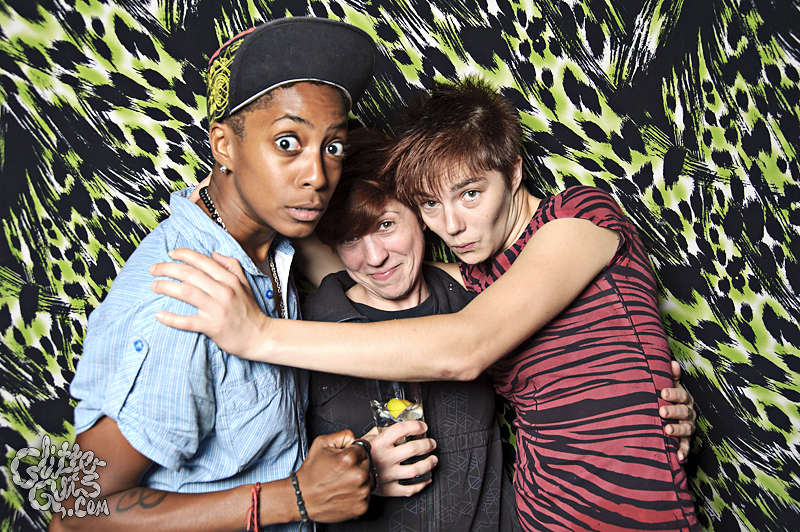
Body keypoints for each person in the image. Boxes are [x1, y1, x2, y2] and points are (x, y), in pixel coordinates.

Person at [150, 77, 700, 532]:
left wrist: (258, 334)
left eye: (470, 194)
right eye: (431, 204)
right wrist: (236, 183)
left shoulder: (579, 218)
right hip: (538, 518)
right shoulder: (480, 277)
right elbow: (353, 264)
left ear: (513, 173)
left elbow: (465, 346)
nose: (452, 226)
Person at [52, 18, 381, 532]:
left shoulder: (273, 245)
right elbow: (74, 512)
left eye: (333, 146)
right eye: (288, 142)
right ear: (224, 145)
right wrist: (296, 498)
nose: (317, 176)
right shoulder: (181, 301)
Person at [299, 127, 519, 531]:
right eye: (351, 239)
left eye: (386, 225)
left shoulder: (480, 301)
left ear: (420, 215)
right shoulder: (304, 329)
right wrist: (355, 473)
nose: (375, 257)